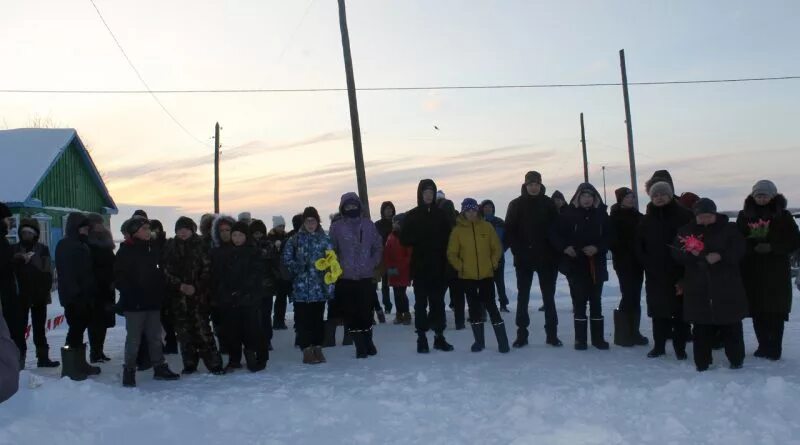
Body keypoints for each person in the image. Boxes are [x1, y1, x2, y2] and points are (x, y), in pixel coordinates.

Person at [673, 198, 748, 371]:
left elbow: (739, 249)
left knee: (731, 324)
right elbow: (676, 253)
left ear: (714, 214)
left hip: (727, 284)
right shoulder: (686, 231)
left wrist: (721, 256)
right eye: (701, 217)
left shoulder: (729, 229)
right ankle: (702, 362)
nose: (705, 220)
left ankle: (736, 360)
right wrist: (694, 255)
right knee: (701, 327)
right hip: (698, 286)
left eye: (708, 216)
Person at [737, 180, 800, 360]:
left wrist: (773, 247)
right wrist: (752, 247)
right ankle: (762, 345)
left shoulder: (784, 216)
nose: (761, 198)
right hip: (752, 269)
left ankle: (774, 348)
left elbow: (794, 241)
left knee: (776, 311)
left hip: (776, 270)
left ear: (772, 196)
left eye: (765, 195)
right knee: (757, 310)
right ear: (753, 196)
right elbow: (738, 239)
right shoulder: (744, 216)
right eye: (758, 195)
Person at [116, 218, 180, 387]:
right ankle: (129, 371)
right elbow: (119, 278)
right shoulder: (125, 251)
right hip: (134, 305)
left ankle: (159, 367)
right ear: (135, 231)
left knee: (155, 338)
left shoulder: (153, 249)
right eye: (144, 228)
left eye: (148, 228)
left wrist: (159, 292)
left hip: (152, 303)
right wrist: (132, 294)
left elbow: (159, 273)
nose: (148, 231)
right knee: (134, 339)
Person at [636, 178, 693, 360]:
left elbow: (693, 242)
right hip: (655, 272)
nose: (659, 198)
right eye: (656, 195)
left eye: (663, 194)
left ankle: (680, 347)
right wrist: (646, 262)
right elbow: (639, 245)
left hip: (679, 271)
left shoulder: (684, 216)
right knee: (658, 311)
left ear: (670, 196)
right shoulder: (647, 219)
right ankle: (659, 346)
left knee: (680, 312)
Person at [550, 184, 611, 350]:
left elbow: (609, 236)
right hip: (576, 264)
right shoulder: (568, 214)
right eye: (584, 196)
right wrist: (565, 247)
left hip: (595, 264)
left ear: (595, 198)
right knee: (579, 302)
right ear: (578, 197)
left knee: (596, 301)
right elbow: (554, 234)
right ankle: (580, 339)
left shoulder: (601, 215)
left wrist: (597, 248)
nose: (587, 199)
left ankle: (598, 339)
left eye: (590, 196)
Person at [505, 171, 562, 347]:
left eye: (536, 184)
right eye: (530, 184)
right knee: (523, 298)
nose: (533, 187)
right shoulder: (516, 204)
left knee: (549, 298)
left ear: (541, 184)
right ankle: (522, 335)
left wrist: (554, 251)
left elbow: (556, 229)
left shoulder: (548, 204)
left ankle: (552, 335)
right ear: (525, 185)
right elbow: (509, 231)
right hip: (524, 259)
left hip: (547, 259)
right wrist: (518, 251)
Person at [162, 217, 225, 375]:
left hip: (199, 297)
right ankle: (189, 364)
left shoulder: (202, 245)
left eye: (186, 229)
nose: (182, 232)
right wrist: (180, 286)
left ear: (192, 230)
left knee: (202, 331)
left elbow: (208, 270)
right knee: (184, 333)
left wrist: (195, 287)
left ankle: (214, 364)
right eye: (179, 229)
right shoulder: (170, 246)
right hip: (178, 298)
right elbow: (165, 270)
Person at [448, 198, 509, 353]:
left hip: (486, 275)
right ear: (463, 212)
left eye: (474, 210)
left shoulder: (487, 227)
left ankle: (503, 342)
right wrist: (460, 267)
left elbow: (497, 248)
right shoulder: (457, 231)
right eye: (468, 210)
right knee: (474, 308)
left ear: (478, 211)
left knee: (492, 307)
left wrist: (493, 263)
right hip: (467, 277)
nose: (471, 213)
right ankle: (479, 342)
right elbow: (452, 253)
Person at [400, 179, 455, 353]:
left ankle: (439, 336)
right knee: (420, 304)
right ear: (420, 195)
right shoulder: (412, 215)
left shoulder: (442, 215)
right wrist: (418, 237)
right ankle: (421, 338)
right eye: (426, 193)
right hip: (420, 268)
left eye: (431, 193)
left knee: (438, 303)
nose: (429, 196)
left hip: (438, 267)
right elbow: (404, 239)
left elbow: (450, 238)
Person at [330, 193, 384, 359]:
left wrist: (371, 263)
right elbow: (331, 251)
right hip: (346, 278)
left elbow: (378, 247)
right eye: (348, 206)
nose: (351, 208)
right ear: (343, 208)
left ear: (359, 206)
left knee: (366, 312)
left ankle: (368, 341)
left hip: (366, 276)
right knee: (351, 313)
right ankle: (359, 345)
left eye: (354, 205)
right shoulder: (336, 227)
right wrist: (337, 266)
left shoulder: (368, 225)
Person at [210, 221, 269, 373]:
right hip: (230, 300)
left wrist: (243, 290)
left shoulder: (253, 252)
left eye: (240, 235)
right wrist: (225, 292)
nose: (236, 238)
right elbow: (220, 275)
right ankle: (234, 359)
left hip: (249, 299)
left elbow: (256, 275)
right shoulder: (225, 253)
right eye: (234, 235)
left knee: (252, 330)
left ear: (246, 236)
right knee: (232, 331)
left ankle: (255, 356)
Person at [283, 207, 336, 364]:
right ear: (303, 222)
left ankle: (318, 347)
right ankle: (306, 349)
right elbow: (286, 260)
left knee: (318, 320)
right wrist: (299, 266)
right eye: (308, 221)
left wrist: (330, 272)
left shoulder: (325, 239)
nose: (310, 224)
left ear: (318, 221)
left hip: (319, 289)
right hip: (301, 290)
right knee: (302, 321)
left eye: (313, 220)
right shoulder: (295, 240)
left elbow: (332, 260)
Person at [55, 212, 101, 381]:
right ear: (75, 228)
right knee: (74, 330)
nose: (86, 231)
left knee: (79, 329)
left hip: (85, 296)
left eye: (87, 228)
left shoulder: (82, 244)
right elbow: (67, 274)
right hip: (74, 298)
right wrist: (76, 296)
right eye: (83, 228)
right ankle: (70, 368)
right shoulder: (66, 245)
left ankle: (80, 364)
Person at [12, 219, 59, 368]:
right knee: (19, 330)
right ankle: (19, 360)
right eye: (24, 232)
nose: (26, 235)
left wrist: (33, 260)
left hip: (39, 295)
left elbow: (47, 271)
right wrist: (18, 259)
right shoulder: (14, 249)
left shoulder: (42, 249)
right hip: (20, 296)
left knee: (39, 329)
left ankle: (43, 358)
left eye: (30, 233)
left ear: (35, 235)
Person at [609, 188, 649, 347]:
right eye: (627, 197)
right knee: (628, 294)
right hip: (623, 262)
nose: (631, 199)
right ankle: (623, 334)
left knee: (636, 295)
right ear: (620, 199)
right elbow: (612, 241)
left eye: (632, 196)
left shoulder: (639, 217)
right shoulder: (614, 218)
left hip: (638, 262)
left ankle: (635, 332)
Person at [85, 213, 116, 363]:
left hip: (107, 286)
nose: (99, 225)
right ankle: (95, 352)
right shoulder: (88, 243)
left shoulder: (106, 241)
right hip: (94, 287)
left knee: (104, 321)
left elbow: (112, 262)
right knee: (95, 321)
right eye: (96, 223)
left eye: (100, 223)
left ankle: (100, 350)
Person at [0, 203, 24, 370]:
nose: (9, 222)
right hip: (4, 296)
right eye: (6, 219)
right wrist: (17, 260)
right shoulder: (1, 241)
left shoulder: (3, 241)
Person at [480, 199, 510, 312]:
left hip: (498, 257)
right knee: (485, 283)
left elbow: (507, 238)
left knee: (500, 282)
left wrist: (502, 249)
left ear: (493, 209)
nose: (488, 209)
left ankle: (503, 304)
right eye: (485, 207)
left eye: (490, 207)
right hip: (483, 258)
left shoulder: (500, 222)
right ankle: (485, 305)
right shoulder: (479, 223)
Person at [383, 213, 413, 325]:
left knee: (401, 293)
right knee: (396, 293)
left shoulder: (406, 238)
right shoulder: (390, 237)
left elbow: (408, 256)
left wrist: (400, 267)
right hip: (392, 270)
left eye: (396, 223)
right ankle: (399, 313)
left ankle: (406, 313)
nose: (394, 225)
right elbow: (386, 253)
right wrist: (388, 266)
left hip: (403, 271)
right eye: (393, 223)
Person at [266, 216, 291, 331]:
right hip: (275, 271)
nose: (282, 228)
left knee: (282, 298)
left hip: (284, 271)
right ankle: (277, 320)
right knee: (278, 298)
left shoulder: (286, 237)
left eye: (283, 226)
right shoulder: (270, 238)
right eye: (280, 226)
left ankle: (279, 319)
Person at [375, 201, 396, 315]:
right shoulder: (378, 224)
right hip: (382, 258)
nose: (389, 211)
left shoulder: (396, 223)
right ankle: (387, 306)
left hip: (394, 258)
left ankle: (400, 308)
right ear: (382, 211)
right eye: (386, 209)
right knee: (384, 283)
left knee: (395, 282)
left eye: (390, 209)